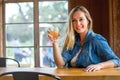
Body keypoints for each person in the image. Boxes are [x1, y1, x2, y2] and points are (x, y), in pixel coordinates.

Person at [48, 6, 120, 72]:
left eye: (81, 19)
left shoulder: (96, 39)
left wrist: (99, 66)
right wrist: (55, 43)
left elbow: (116, 61)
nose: (78, 24)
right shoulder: (72, 41)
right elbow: (60, 65)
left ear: (88, 21)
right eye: (74, 20)